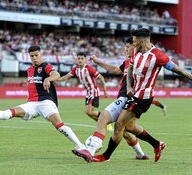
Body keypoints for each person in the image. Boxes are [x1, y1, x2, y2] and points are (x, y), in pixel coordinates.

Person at [72, 28, 192, 163]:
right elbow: (129, 69)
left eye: (134, 41)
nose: (132, 43)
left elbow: (177, 69)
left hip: (143, 98)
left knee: (119, 125)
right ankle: (156, 145)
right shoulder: (136, 52)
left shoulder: (158, 55)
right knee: (126, 127)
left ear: (142, 40)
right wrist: (129, 86)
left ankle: (104, 155)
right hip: (132, 95)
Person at [0, 45, 85, 151]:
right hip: (31, 104)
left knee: (59, 126)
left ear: (40, 54)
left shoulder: (46, 66)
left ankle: (81, 146)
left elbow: (56, 74)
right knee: (9, 113)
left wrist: (48, 79)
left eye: (36, 55)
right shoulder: (29, 70)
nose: (34, 58)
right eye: (32, 56)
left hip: (46, 102)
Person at [72, 37, 150, 162]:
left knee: (104, 117)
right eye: (125, 47)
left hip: (129, 98)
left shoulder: (139, 62)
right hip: (127, 98)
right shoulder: (128, 62)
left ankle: (90, 151)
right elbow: (114, 70)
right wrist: (98, 61)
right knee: (124, 130)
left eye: (128, 47)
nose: (125, 49)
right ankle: (142, 154)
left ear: (135, 47)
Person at [58, 52, 112, 130]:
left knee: (89, 111)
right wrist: (57, 79)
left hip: (94, 91)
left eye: (82, 59)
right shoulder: (76, 69)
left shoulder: (88, 68)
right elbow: (67, 76)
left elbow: (101, 78)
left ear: (85, 59)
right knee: (88, 112)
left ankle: (106, 120)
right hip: (88, 93)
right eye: (79, 58)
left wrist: (105, 91)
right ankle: (102, 123)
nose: (80, 60)